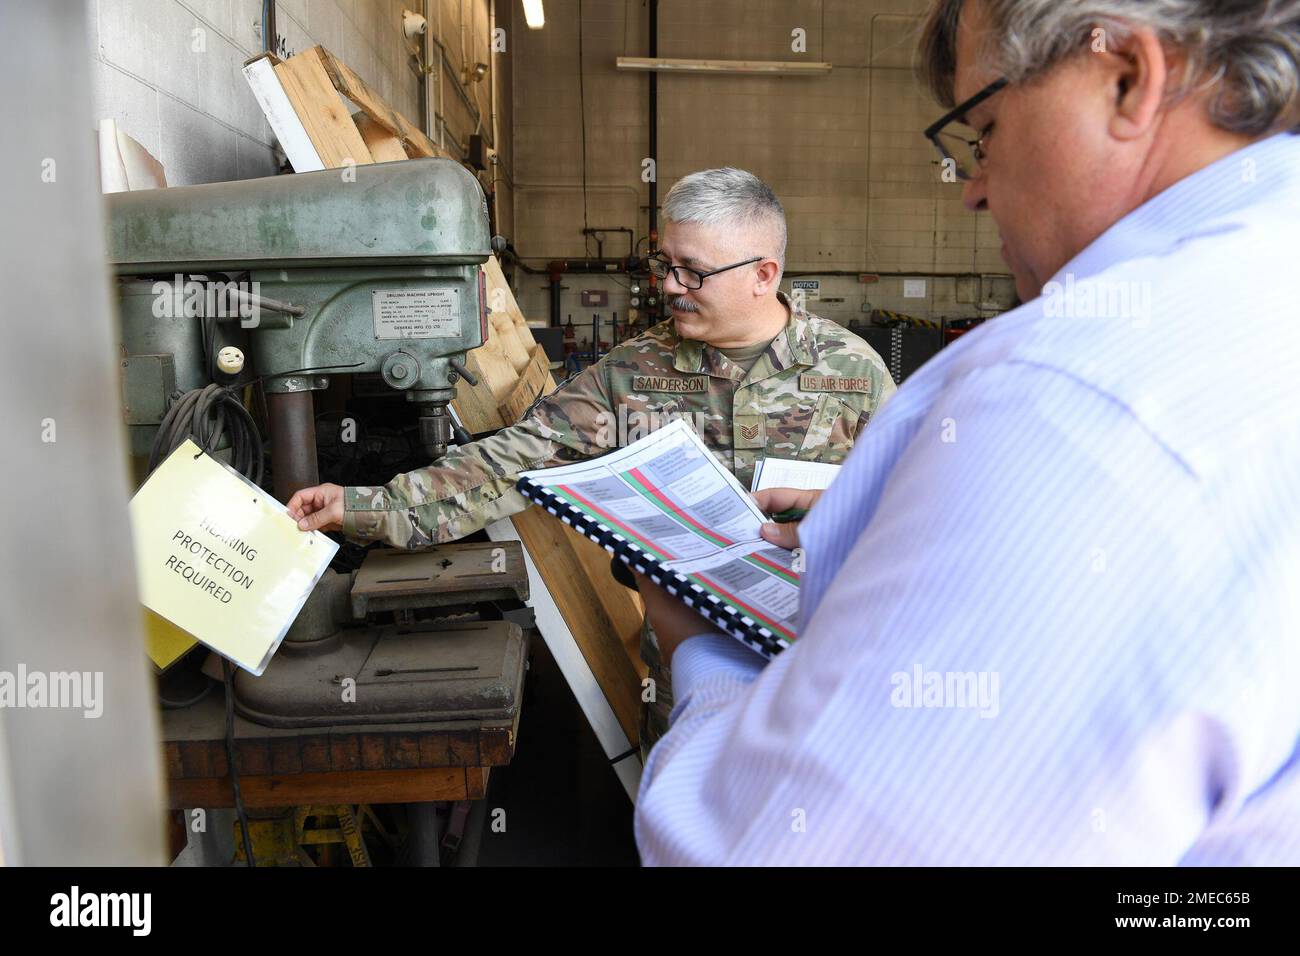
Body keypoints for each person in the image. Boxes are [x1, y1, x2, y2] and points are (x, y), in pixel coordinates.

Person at [633, 0, 1300, 864]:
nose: (975, 188)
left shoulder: (1070, 394)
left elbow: (779, 847)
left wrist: (706, 659)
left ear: (1127, 77)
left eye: (983, 130)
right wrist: (916, 510)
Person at [288, 167, 896, 758]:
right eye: (665, 265)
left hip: (823, 666)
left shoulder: (853, 373)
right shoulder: (633, 372)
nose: (670, 286)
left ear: (764, 273)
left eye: (693, 272)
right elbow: (510, 463)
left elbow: (918, 516)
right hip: (684, 673)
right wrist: (365, 506)